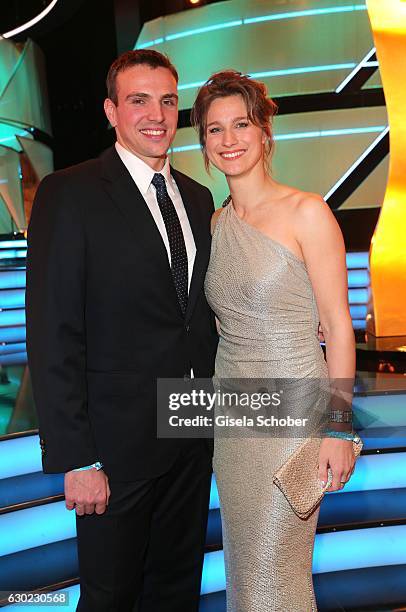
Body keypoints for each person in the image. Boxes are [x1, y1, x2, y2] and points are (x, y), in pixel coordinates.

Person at [25, 50, 218, 611]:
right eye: (138, 100)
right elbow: (53, 330)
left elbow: (192, 322)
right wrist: (77, 459)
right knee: (110, 597)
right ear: (112, 111)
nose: (155, 114)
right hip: (112, 451)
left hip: (190, 431)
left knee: (175, 589)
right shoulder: (71, 192)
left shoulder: (199, 197)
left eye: (166, 100)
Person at [191, 70, 358, 611]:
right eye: (215, 130)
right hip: (234, 418)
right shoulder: (215, 225)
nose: (230, 139)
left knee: (275, 577)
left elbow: (337, 326)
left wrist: (337, 426)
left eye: (241, 124)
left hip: (295, 417)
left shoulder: (307, 212)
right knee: (245, 573)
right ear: (205, 146)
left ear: (265, 133)